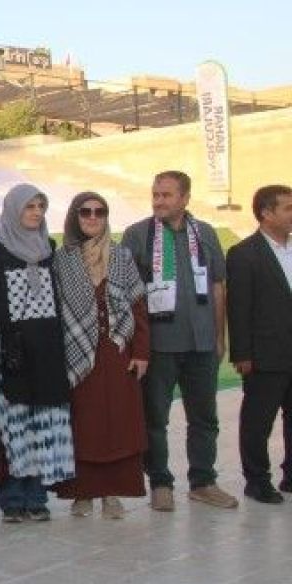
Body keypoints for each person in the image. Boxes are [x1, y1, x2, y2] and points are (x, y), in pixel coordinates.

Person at [121, 171, 236, 511]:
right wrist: (136, 346)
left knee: (204, 418)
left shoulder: (206, 233)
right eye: (155, 194)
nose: (158, 201)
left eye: (166, 195)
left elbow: (218, 286)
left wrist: (219, 337)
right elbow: (127, 294)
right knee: (155, 418)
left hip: (201, 343)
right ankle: (160, 483)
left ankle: (203, 482)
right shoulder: (137, 234)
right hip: (159, 345)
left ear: (185, 198)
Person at [0, 184, 74, 522]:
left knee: (42, 426)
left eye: (40, 207)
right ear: (13, 210)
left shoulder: (50, 249)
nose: (36, 213)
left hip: (47, 355)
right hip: (11, 359)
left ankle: (37, 498)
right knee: (13, 429)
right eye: (29, 207)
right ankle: (13, 500)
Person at [52, 192, 150, 519]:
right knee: (84, 425)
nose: (93, 217)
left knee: (119, 424)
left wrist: (141, 353)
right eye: (86, 212)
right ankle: (82, 494)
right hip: (77, 354)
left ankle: (112, 494)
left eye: (100, 212)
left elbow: (138, 306)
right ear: (75, 217)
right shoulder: (62, 259)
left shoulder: (121, 255)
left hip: (117, 352)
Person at [227, 184, 292, 503]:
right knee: (257, 423)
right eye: (288, 208)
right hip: (265, 355)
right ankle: (257, 480)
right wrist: (242, 354)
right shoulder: (244, 254)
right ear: (266, 213)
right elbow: (238, 308)